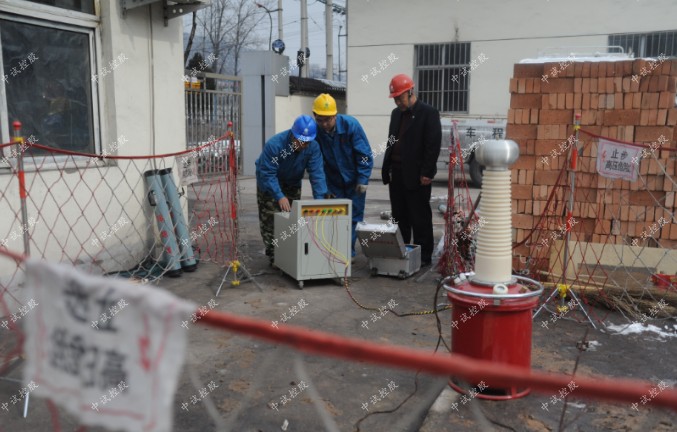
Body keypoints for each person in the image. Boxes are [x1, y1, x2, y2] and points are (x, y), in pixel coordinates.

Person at [381, 74, 441, 267]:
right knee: (399, 217)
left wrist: (427, 173)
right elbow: (391, 141)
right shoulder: (396, 114)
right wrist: (387, 167)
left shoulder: (428, 113)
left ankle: (423, 256)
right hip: (397, 173)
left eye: (400, 98)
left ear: (410, 92)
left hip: (417, 175)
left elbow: (432, 145)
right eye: (395, 99)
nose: (398, 102)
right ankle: (402, 252)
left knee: (420, 217)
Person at [255, 114, 328, 263]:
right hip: (269, 182)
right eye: (300, 141)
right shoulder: (275, 145)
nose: (303, 145)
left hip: (292, 182)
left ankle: (289, 253)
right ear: (293, 135)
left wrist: (320, 201)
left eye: (307, 142)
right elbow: (267, 173)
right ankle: (275, 256)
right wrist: (279, 195)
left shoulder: (313, 148)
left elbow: (317, 174)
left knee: (292, 219)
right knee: (271, 219)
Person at [312, 93, 373, 258]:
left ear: (335, 115)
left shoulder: (350, 125)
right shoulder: (315, 131)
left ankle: (347, 252)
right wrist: (323, 188)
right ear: (314, 116)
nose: (324, 124)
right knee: (334, 216)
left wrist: (363, 179)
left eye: (328, 120)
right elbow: (315, 163)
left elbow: (364, 155)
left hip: (354, 180)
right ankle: (333, 250)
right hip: (333, 181)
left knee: (354, 216)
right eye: (320, 120)